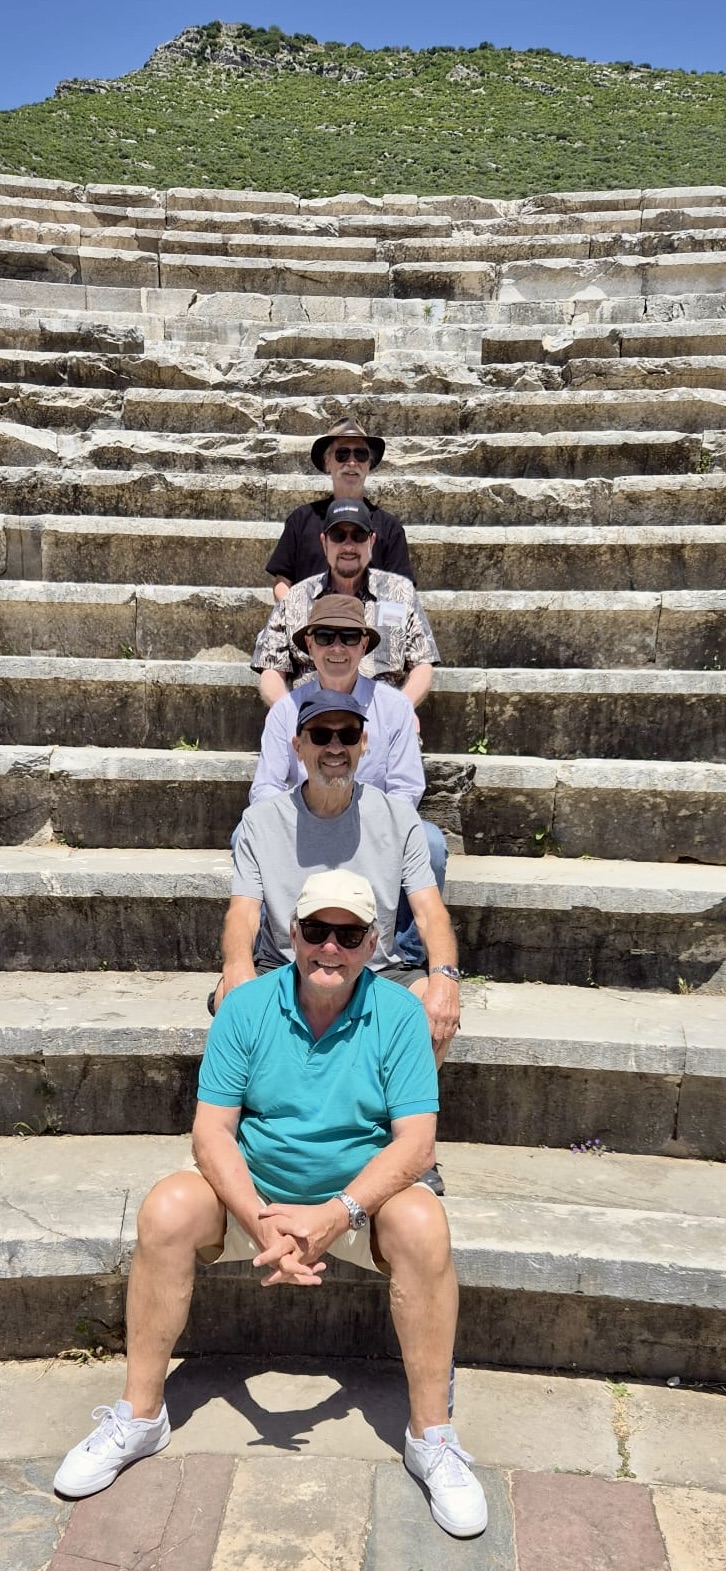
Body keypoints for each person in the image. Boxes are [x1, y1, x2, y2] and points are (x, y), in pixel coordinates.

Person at [53, 872, 487, 1541]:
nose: (330, 947)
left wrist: (334, 1214)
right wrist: (261, 1221)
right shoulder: (246, 1006)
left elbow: (416, 1144)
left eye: (349, 934)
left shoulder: (400, 1014)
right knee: (167, 1208)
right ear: (292, 934)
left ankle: (432, 1436)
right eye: (316, 930)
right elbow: (211, 1133)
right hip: (255, 1197)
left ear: (373, 942)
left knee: (424, 1222)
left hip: (355, 1205)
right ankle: (139, 1414)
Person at [216, 689, 461, 1067]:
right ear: (298, 747)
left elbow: (429, 911)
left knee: (432, 1013)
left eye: (347, 735)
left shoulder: (400, 819)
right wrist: (236, 968)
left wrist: (445, 977)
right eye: (320, 735)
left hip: (376, 967)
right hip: (285, 965)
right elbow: (243, 912)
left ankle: (393, 1104)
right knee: (229, 999)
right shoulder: (260, 821)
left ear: (363, 744)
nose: (335, 747)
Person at [247, 593, 447, 967]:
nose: (337, 647)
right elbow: (266, 788)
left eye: (349, 637)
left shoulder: (395, 707)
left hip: (377, 825)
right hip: (302, 822)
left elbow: (406, 787)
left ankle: (408, 956)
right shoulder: (285, 711)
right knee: (246, 835)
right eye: (325, 636)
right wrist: (296, 822)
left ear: (364, 645)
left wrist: (374, 824)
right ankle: (269, 954)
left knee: (431, 843)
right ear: (309, 645)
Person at [252, 497, 439, 716]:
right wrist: (290, 716)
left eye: (358, 536)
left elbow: (422, 664)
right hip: (312, 720)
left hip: (383, 717)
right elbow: (271, 670)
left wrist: (402, 710)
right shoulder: (295, 598)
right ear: (324, 542)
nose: (348, 546)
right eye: (338, 536)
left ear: (371, 541)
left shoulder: (400, 593)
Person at [266, 415, 414, 600]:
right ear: (327, 462)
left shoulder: (390, 528)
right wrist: (300, 615)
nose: (352, 462)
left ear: (369, 464)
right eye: (342, 454)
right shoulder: (301, 520)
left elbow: (401, 593)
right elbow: (282, 583)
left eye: (360, 454)